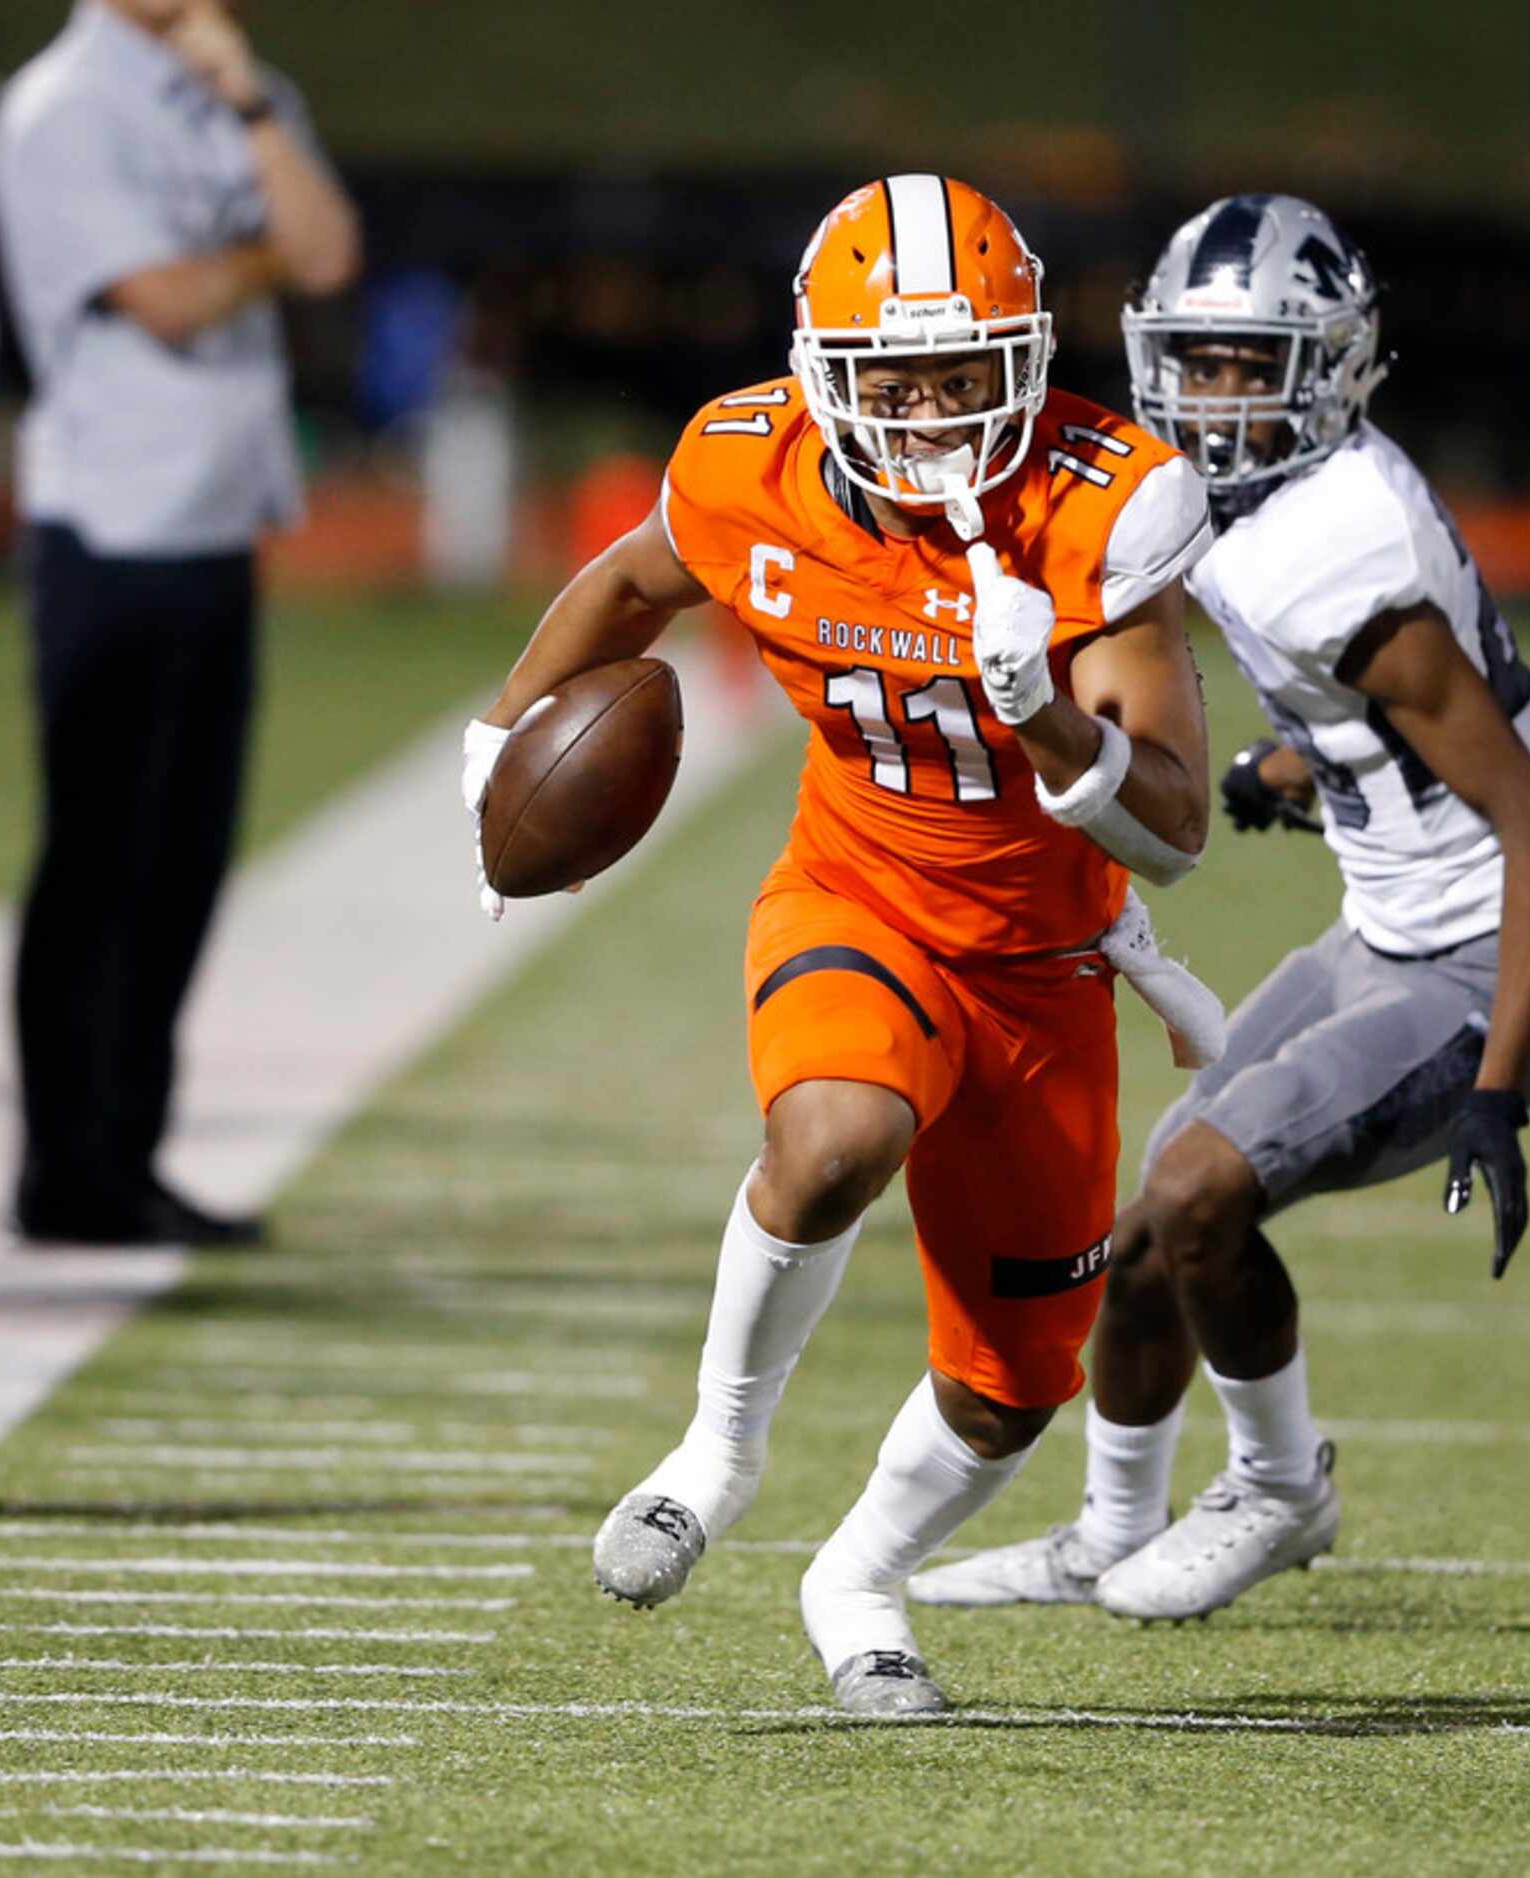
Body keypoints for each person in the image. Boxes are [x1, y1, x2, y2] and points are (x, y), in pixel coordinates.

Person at [463, 176, 1224, 1714]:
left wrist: (1051, 717)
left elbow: (1177, 822)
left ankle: (856, 1573)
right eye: (900, 378)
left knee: (1015, 1385)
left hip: (1048, 965)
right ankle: (717, 1451)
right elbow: (628, 581)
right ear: (825, 376)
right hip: (858, 898)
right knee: (832, 1136)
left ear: (1026, 359)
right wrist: (496, 742)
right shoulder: (751, 464)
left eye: (967, 373)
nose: (937, 411)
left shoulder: (1102, 497)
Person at [909, 194, 1530, 1622]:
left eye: (1251, 363)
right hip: (1384, 929)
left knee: (1198, 1190)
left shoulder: (1331, 536)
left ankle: (1284, 1487)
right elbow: (1397, 717)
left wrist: (1497, 1088)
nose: (1218, 397)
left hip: (1479, 956)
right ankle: (1110, 1521)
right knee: (1149, 1224)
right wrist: (1299, 761)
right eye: (1200, 358)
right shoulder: (1257, 504)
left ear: (1335, 363)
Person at [0, 0, 360, 1248]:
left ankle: (125, 1155)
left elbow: (324, 255)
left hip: (214, 520)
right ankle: (63, 1169)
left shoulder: (238, 88)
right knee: (98, 858)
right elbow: (163, 299)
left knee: (182, 864)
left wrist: (251, 110)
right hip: (109, 522)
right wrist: (250, 250)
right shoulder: (65, 104)